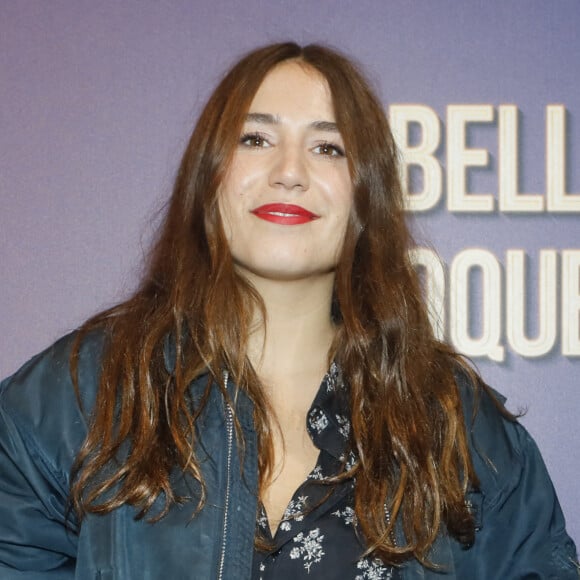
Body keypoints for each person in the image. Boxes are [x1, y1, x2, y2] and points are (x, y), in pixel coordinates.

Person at [0, 42, 577, 579]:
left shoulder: (460, 429)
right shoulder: (73, 402)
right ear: (208, 175)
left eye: (328, 147)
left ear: (365, 193)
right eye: (255, 139)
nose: (290, 171)